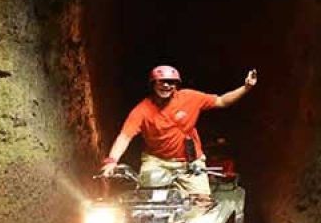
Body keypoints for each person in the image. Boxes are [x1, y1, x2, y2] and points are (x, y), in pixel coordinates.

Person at [100, 65, 258, 196]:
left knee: (202, 202)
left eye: (171, 82)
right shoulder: (142, 110)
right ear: (153, 84)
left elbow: (222, 101)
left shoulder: (189, 97)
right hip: (157, 162)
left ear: (176, 85)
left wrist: (246, 88)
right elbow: (125, 136)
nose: (166, 86)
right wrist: (112, 161)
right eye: (162, 82)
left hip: (190, 162)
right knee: (151, 202)